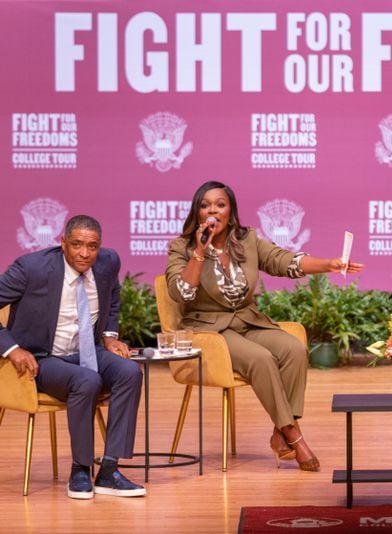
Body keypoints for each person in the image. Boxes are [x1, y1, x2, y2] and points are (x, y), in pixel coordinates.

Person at [166, 180, 363, 472]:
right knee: (261, 359)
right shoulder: (181, 247)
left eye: (220, 204)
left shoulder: (247, 240)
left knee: (294, 349)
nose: (212, 210)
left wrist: (329, 265)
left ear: (230, 211)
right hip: (208, 332)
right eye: (205, 205)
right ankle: (295, 437)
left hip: (247, 320)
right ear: (197, 213)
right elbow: (180, 293)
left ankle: (279, 430)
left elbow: (283, 261)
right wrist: (199, 251)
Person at [0, 215, 145, 499]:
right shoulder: (31, 269)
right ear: (62, 242)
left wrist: (111, 336)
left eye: (92, 246)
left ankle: (109, 470)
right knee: (87, 381)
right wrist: (12, 349)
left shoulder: (108, 262)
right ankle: (80, 467)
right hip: (43, 358)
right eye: (76, 244)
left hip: (89, 351)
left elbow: (113, 294)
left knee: (130, 372)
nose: (84, 253)